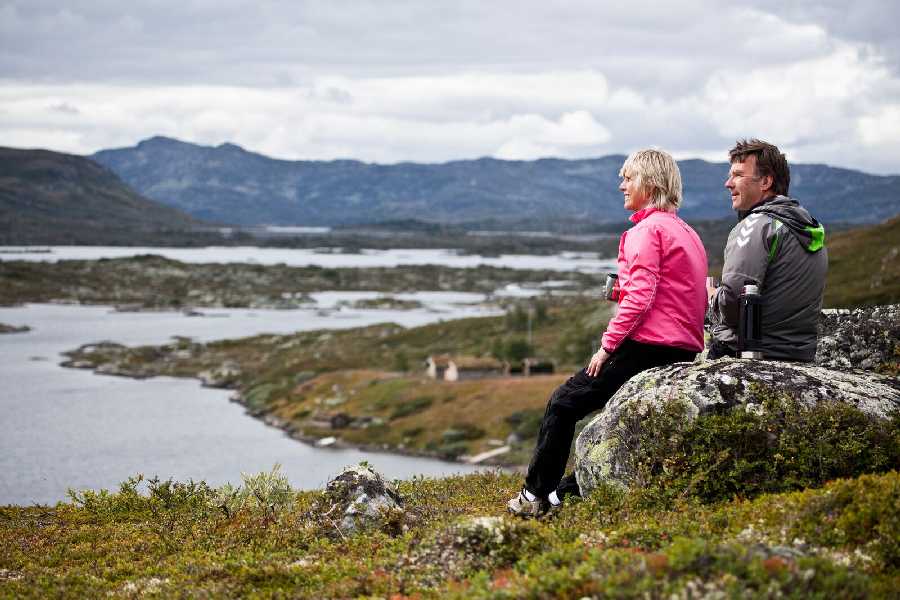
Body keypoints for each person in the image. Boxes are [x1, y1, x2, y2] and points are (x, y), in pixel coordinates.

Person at [507, 149, 708, 517]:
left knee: (563, 403)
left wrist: (606, 347)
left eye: (629, 178)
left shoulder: (645, 231)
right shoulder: (686, 232)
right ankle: (562, 495)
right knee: (606, 419)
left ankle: (535, 496)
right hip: (682, 349)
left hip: (647, 346)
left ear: (650, 182)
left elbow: (641, 298)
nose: (622, 185)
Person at [707, 139, 828, 361]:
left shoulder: (757, 225)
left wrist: (713, 298)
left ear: (765, 181)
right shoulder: (808, 228)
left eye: (738, 175)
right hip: (799, 357)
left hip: (748, 354)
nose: (728, 183)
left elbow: (733, 302)